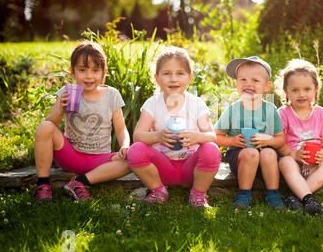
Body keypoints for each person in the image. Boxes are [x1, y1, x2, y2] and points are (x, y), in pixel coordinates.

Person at [34, 41, 131, 202]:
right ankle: (42, 185)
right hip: (71, 156)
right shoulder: (67, 92)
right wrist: (60, 109)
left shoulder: (111, 95)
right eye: (82, 70)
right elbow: (50, 126)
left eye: (95, 70)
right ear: (73, 72)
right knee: (44, 127)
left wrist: (125, 145)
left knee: (132, 160)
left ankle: (80, 183)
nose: (89, 76)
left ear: (104, 72)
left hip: (100, 161)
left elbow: (121, 128)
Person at [127, 46, 221, 208]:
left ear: (190, 77)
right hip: (162, 168)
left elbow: (211, 136)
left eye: (180, 73)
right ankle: (158, 190)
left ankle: (198, 195)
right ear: (157, 78)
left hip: (191, 169)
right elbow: (138, 136)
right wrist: (158, 136)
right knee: (135, 150)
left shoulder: (197, 104)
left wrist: (196, 137)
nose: (173, 79)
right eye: (167, 73)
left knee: (211, 149)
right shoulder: (153, 104)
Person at [215, 56, 286, 210]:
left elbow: (281, 139)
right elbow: (216, 136)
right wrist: (233, 141)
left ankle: (273, 193)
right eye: (243, 80)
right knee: (250, 153)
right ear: (236, 84)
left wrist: (268, 140)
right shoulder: (233, 109)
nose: (248, 84)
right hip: (241, 158)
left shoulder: (270, 110)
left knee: (270, 153)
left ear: (267, 86)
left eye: (255, 80)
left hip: (266, 162)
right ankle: (244, 194)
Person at [276, 59, 323, 215]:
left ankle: (296, 197)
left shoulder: (321, 113)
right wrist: (294, 154)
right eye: (295, 90)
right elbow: (280, 144)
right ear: (286, 91)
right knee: (285, 162)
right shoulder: (282, 113)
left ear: (316, 89)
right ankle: (308, 198)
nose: (301, 94)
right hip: (295, 165)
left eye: (307, 89)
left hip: (315, 165)